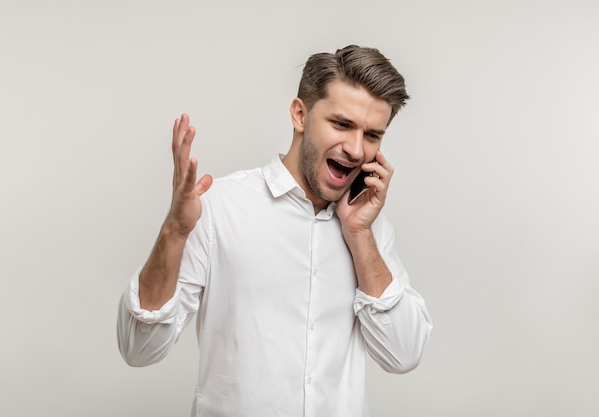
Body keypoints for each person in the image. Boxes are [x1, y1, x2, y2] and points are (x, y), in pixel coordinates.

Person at [117, 44, 432, 417]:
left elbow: (403, 354)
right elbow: (139, 347)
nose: (355, 149)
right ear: (300, 114)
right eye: (342, 124)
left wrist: (360, 235)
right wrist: (174, 230)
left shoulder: (369, 226)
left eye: (372, 135)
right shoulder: (219, 207)